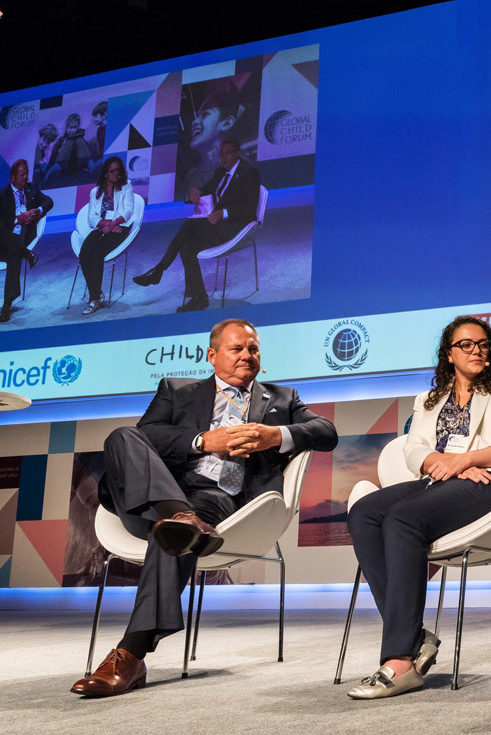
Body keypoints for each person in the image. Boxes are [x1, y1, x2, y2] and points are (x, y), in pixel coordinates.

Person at [70, 319, 338, 697]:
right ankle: (179, 515)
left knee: (175, 533)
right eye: (236, 349)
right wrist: (201, 441)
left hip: (219, 502)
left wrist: (273, 436)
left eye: (253, 349)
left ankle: (130, 652)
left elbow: (326, 432)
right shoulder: (176, 390)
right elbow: (149, 436)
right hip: (147, 498)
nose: (247, 355)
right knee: (123, 436)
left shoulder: (282, 398)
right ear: (212, 356)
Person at [344, 316, 491, 699]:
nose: (477, 350)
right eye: (466, 344)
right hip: (441, 479)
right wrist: (436, 463)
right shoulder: (429, 399)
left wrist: (464, 462)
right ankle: (413, 636)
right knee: (364, 512)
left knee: (403, 517)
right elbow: (414, 448)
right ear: (449, 354)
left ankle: (400, 661)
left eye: (484, 344)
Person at [133, 137, 261, 312]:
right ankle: (199, 297)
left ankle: (159, 270)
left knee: (190, 225)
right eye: (221, 154)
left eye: (227, 154)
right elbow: (206, 190)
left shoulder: (249, 172)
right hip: (217, 228)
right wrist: (193, 192)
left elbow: (249, 208)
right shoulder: (221, 171)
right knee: (187, 248)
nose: (223, 158)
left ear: (237, 154)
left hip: (235, 227)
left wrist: (222, 214)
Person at [77, 156, 136, 315]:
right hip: (101, 228)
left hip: (120, 228)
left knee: (97, 253)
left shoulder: (126, 186)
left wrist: (113, 224)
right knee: (84, 254)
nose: (116, 174)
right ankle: (96, 292)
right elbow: (91, 217)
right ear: (105, 174)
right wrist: (105, 224)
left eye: (118, 170)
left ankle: (94, 299)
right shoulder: (95, 192)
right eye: (112, 171)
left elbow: (128, 210)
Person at [1, 160, 54, 323]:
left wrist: (37, 211)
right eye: (22, 174)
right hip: (4, 238)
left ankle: (6, 305)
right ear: (12, 177)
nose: (26, 177)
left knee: (14, 255)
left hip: (23, 236)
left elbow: (49, 201)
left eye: (27, 173)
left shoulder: (31, 189)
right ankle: (26, 253)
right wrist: (18, 219)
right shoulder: (3, 195)